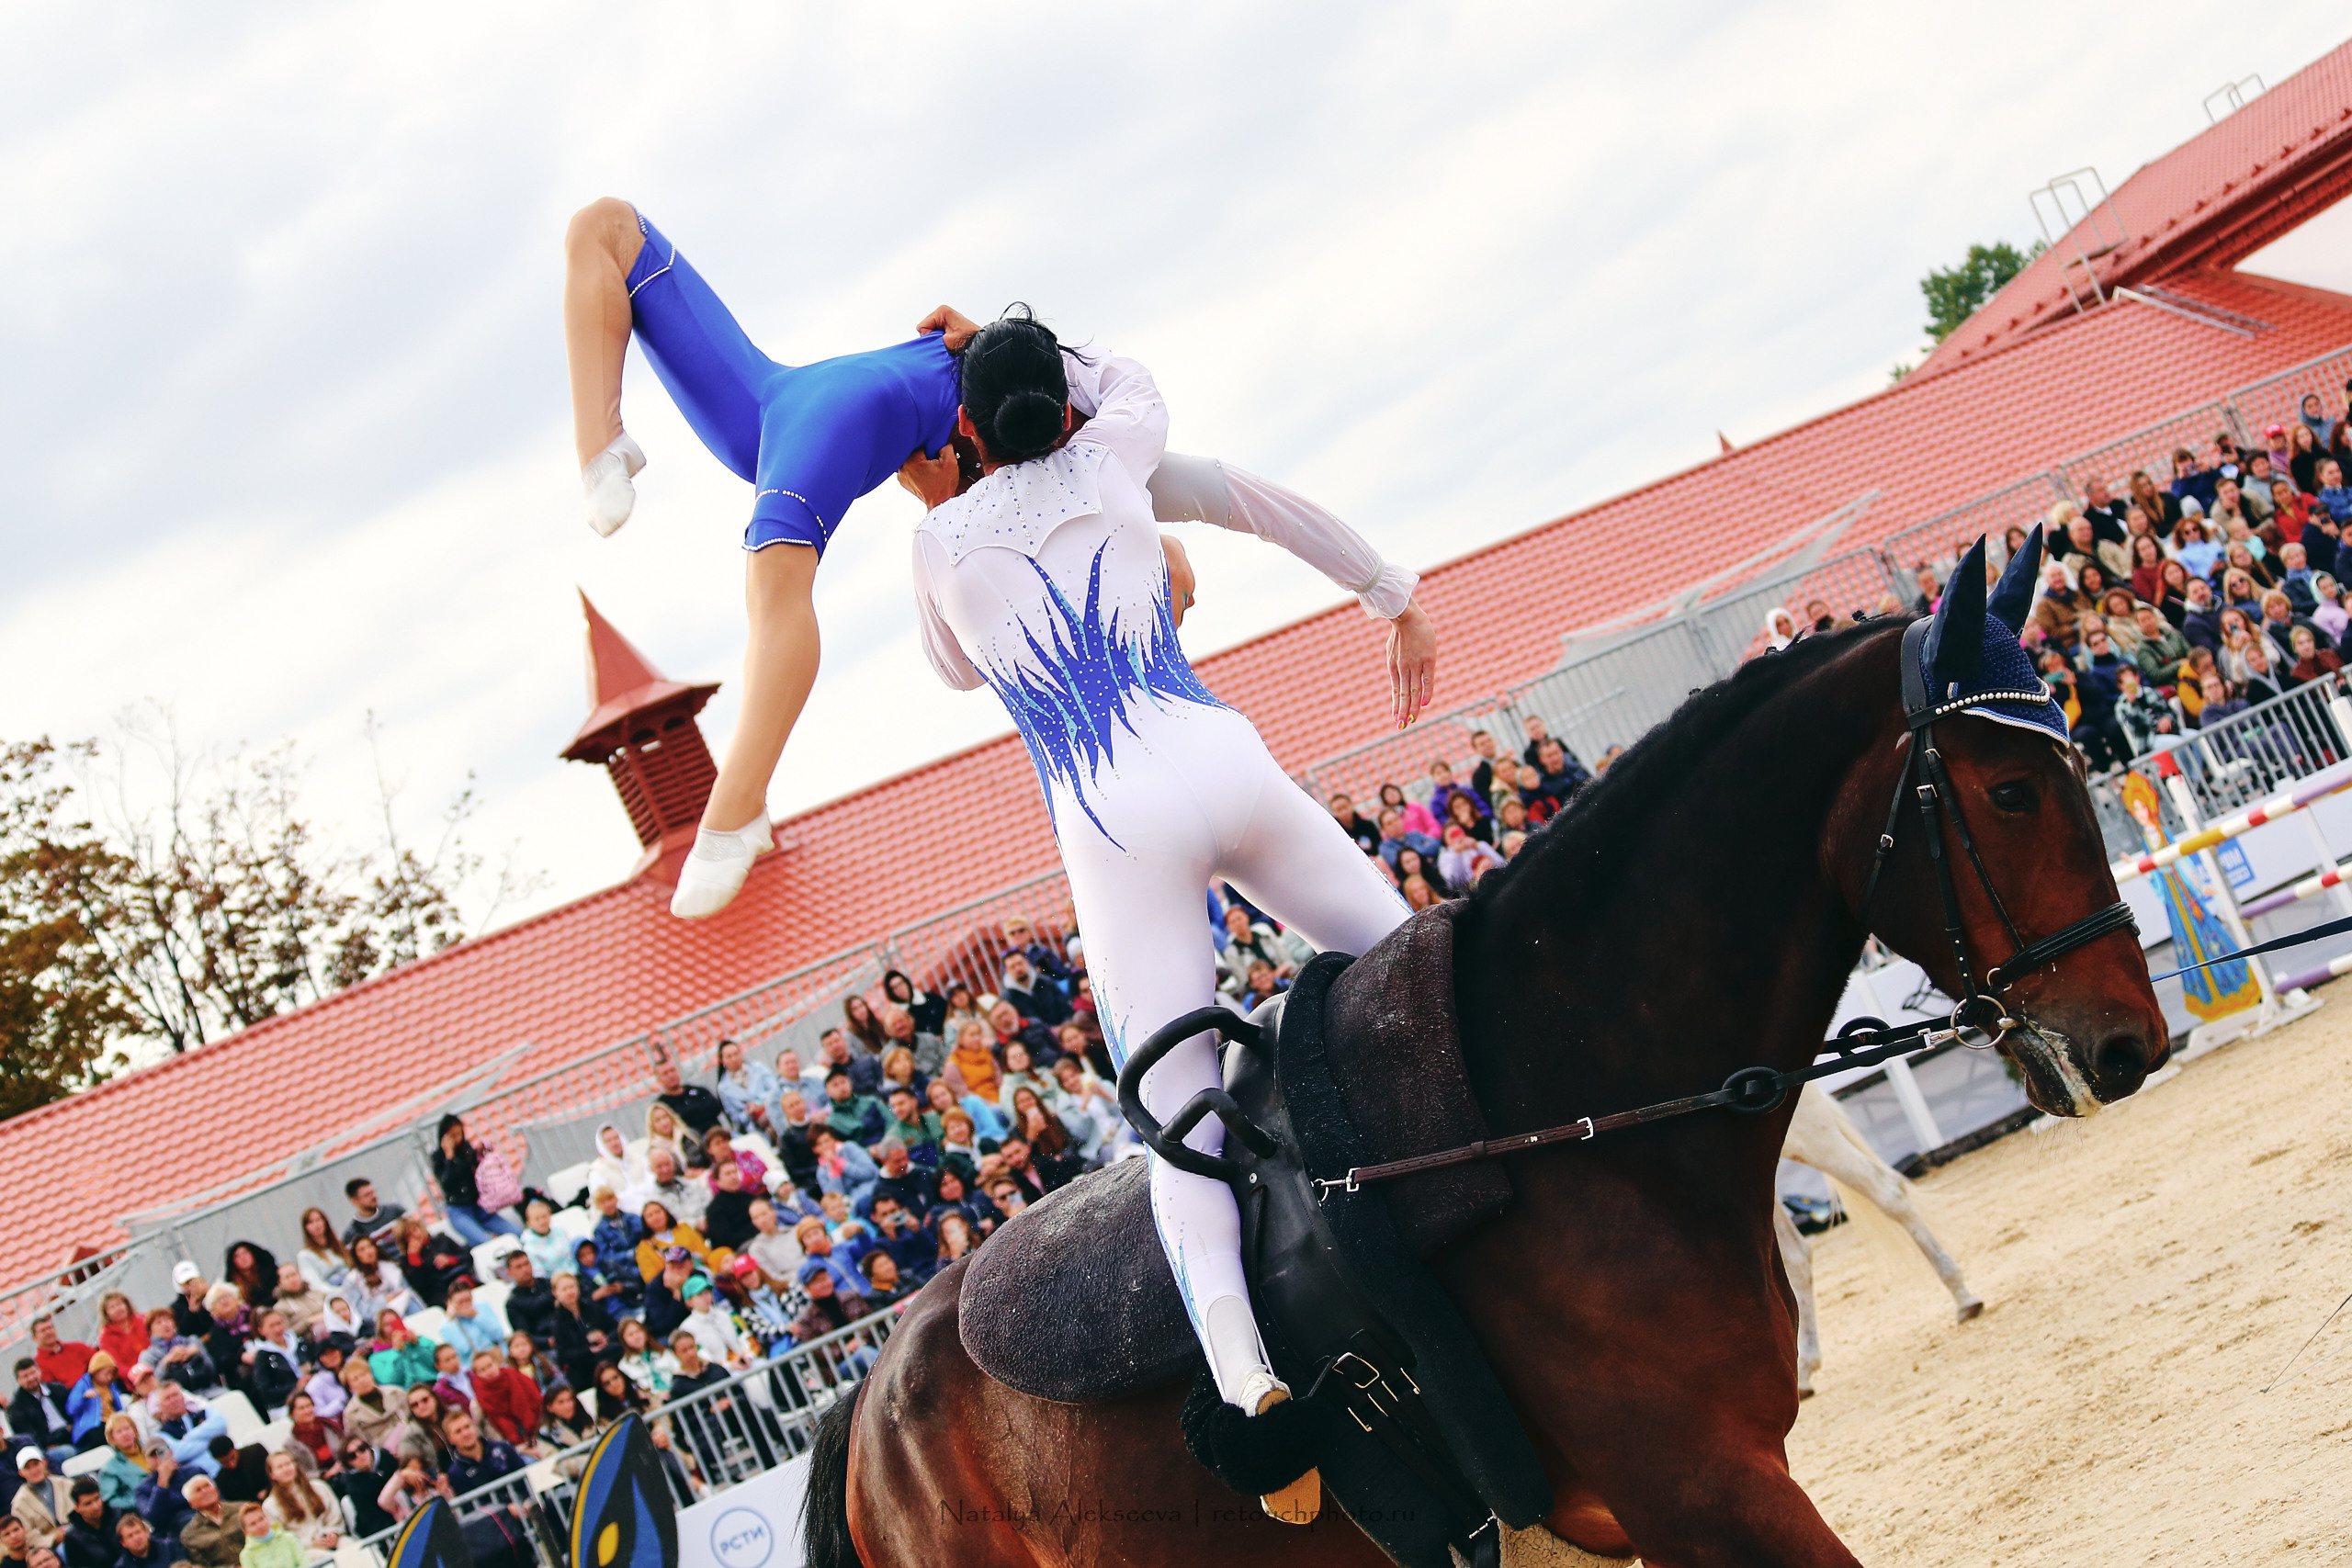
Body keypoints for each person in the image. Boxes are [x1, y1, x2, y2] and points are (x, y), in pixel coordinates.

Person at [431, 1117, 522, 1247]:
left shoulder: (466, 1149)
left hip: (479, 1206)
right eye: (453, 1136)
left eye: (459, 1134)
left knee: (515, 1232)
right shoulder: (438, 1158)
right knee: (485, 1242)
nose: (457, 1139)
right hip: (460, 1210)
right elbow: (446, 1182)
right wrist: (449, 1157)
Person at [256, 1456, 335, 1554]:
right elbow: (281, 1538)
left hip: (334, 1538)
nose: (286, 1469)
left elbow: (334, 1516)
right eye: (280, 1467)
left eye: (288, 1464)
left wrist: (334, 1533)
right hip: (305, 1550)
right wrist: (310, 1543)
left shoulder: (319, 1487)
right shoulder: (270, 1506)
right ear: (272, 1475)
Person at [12, 1361, 77, 1466]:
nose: (31, 1378)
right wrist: (62, 1434)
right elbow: (31, 1439)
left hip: (74, 1433)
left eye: (33, 1373)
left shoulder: (57, 1388)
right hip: (50, 1445)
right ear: (18, 1381)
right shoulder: (17, 1408)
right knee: (68, 1452)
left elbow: (75, 1411)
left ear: (39, 1371)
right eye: (25, 1376)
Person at [169, 1480, 240, 1568]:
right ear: (191, 1504)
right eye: (198, 1490)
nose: (205, 1491)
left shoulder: (243, 1509)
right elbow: (203, 1566)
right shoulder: (189, 1535)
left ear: (217, 1490)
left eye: (207, 1486)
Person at [339, 1180, 406, 1251]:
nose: (374, 1196)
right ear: (354, 1201)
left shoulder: (395, 1210)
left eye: (373, 1192)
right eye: (367, 1195)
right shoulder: (352, 1234)